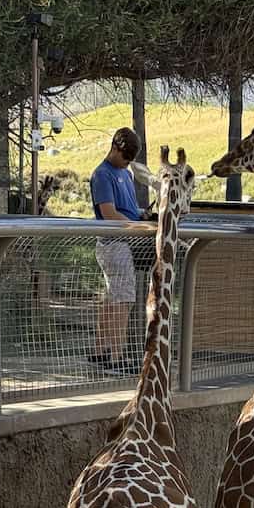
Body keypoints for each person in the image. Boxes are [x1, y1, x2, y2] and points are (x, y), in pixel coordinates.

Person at [89, 127, 144, 372]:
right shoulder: (102, 175)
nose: (127, 163)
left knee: (113, 298)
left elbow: (129, 208)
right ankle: (117, 357)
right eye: (125, 158)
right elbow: (109, 213)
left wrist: (142, 217)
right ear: (115, 148)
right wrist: (138, 226)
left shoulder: (126, 174)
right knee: (123, 299)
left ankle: (100, 350)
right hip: (115, 242)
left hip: (126, 241)